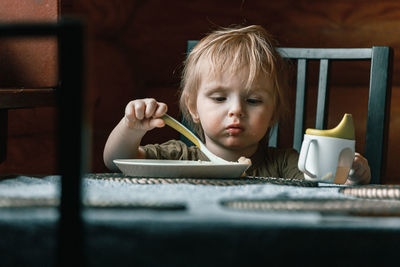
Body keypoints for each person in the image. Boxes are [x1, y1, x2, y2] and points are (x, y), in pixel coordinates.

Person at [103, 25, 371, 185]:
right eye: (219, 98)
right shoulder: (179, 156)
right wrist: (131, 127)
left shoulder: (284, 164)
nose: (236, 110)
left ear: (273, 113)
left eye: (253, 100)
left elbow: (324, 189)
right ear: (192, 108)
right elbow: (116, 162)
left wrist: (350, 177)